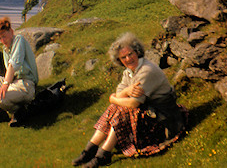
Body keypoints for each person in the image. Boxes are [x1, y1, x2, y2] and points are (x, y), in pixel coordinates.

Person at [72, 33, 186, 168]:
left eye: (130, 54)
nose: (128, 58)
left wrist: (112, 98)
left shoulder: (146, 71)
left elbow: (134, 103)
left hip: (164, 119)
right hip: (149, 112)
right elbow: (121, 94)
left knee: (122, 109)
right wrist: (125, 92)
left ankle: (103, 154)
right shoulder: (128, 72)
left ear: (137, 52)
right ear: (119, 60)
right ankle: (91, 150)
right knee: (116, 108)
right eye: (123, 57)